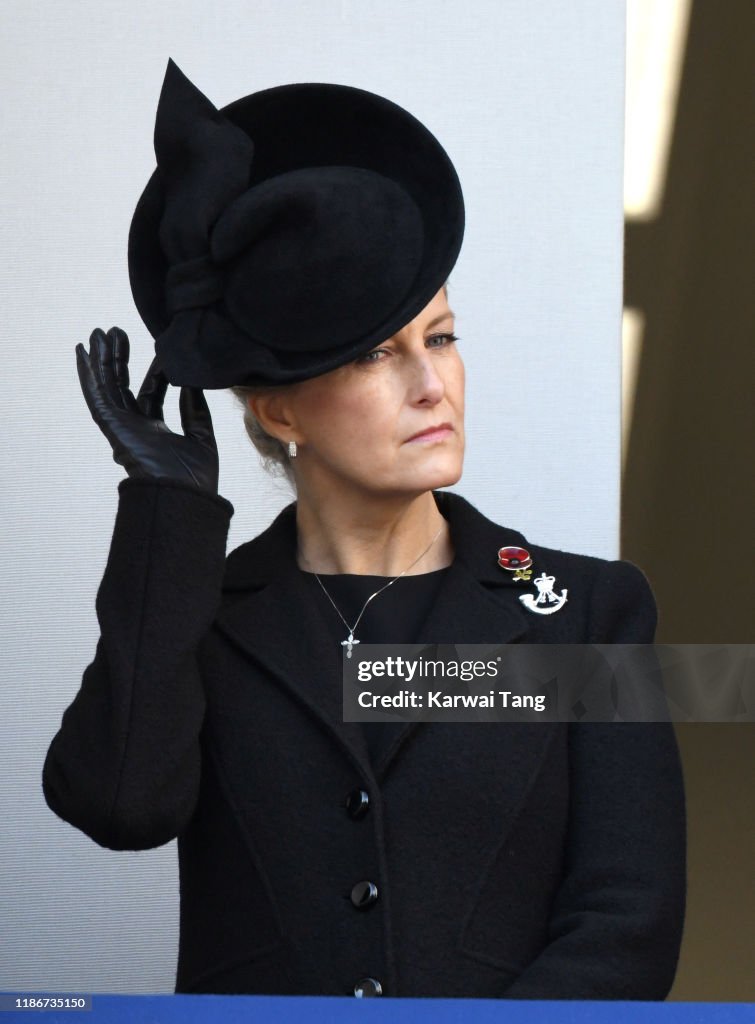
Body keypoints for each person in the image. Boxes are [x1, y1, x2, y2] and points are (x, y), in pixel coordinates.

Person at [42, 59, 686, 1000]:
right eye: (377, 354)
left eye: (441, 337)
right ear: (280, 413)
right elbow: (120, 806)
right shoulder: (199, 616)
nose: (432, 385)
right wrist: (167, 520)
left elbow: (627, 920)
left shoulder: (585, 612)